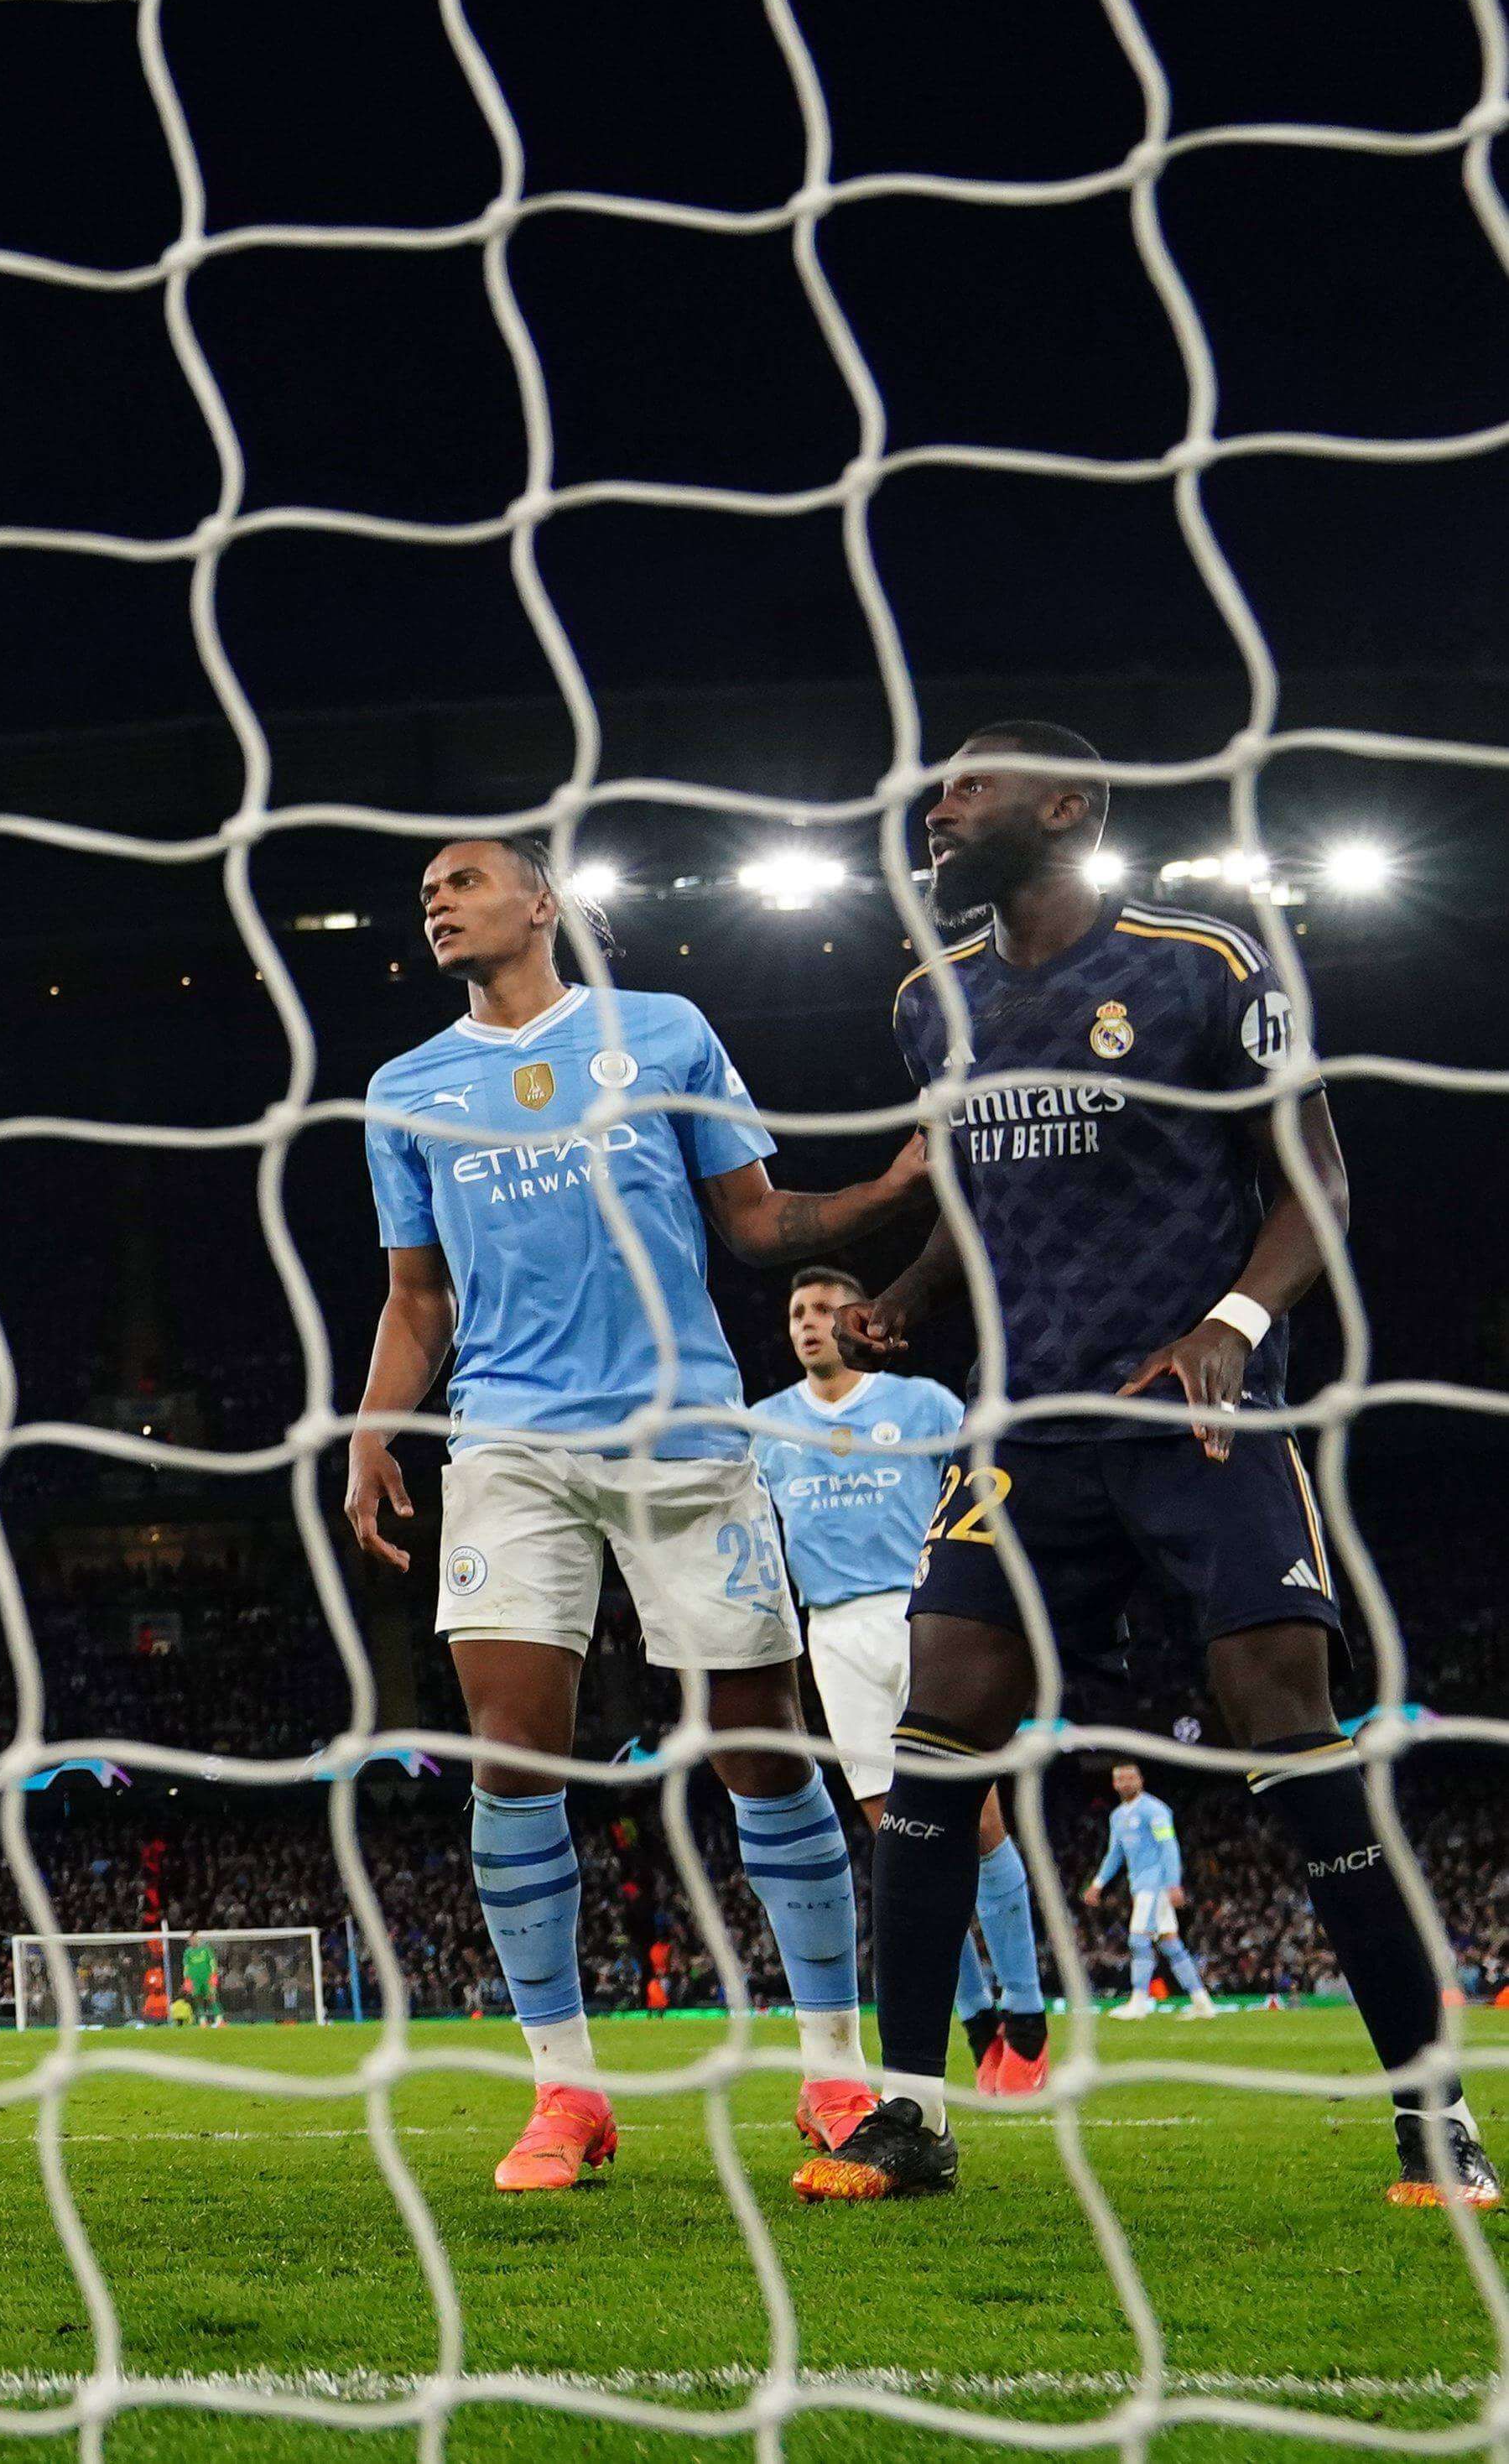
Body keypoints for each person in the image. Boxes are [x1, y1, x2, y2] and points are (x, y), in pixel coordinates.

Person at [798, 726, 1486, 2207]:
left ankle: (1433, 2116)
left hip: (1195, 1421)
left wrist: (1232, 1323)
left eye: (963, 788)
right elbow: (978, 1201)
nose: (934, 807)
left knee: (1283, 1734)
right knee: (935, 1740)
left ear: (1068, 809)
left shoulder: (1202, 961)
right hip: (1022, 1437)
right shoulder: (931, 1002)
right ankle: (908, 2110)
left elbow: (1313, 1173)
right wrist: (909, 1299)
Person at [343, 838, 932, 2195]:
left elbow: (756, 1217)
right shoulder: (405, 1088)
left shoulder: (658, 1033)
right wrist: (373, 1427)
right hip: (505, 1441)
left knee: (755, 1745)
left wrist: (893, 1188)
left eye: (466, 877)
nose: (437, 895)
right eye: (423, 885)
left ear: (541, 901)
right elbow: (416, 1297)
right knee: (507, 1748)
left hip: (680, 1429)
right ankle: (566, 2088)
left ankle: (831, 2064)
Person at [752, 1266, 1049, 2096]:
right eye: (795, 1312)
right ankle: (978, 2018)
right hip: (833, 1634)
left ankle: (1027, 2020)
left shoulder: (923, 1405)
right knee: (900, 1842)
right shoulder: (763, 1425)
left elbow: (987, 1491)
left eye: (821, 1309)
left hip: (927, 1617)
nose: (808, 1323)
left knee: (975, 1815)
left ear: (858, 1321)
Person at [1087, 1762, 1218, 2020]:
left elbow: (1169, 1846)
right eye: (1121, 1779)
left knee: (1138, 1940)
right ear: (1114, 1784)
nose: (1126, 1783)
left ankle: (1138, 2003)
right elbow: (1115, 1853)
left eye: (1131, 1778)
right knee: (1170, 1943)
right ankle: (1202, 2002)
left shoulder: (1155, 1810)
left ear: (1141, 1781)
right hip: (1140, 1886)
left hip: (1155, 1884)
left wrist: (1173, 1883)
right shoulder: (1117, 1816)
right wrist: (1098, 1883)